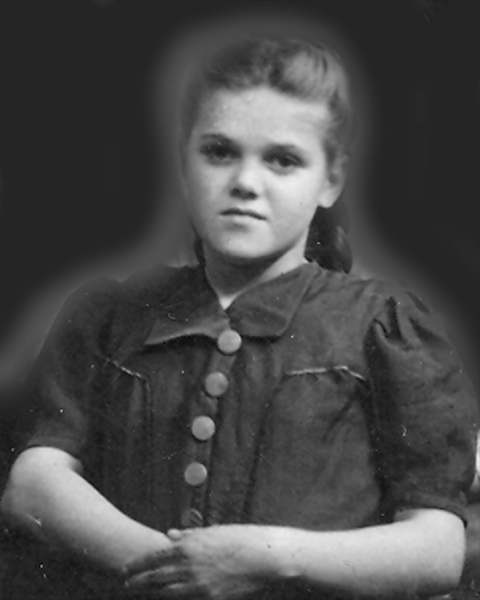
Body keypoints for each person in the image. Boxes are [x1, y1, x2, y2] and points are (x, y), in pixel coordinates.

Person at [1, 33, 478, 600]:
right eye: (220, 152)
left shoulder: (384, 326)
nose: (246, 183)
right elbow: (33, 485)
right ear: (184, 164)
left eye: (283, 160)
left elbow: (437, 548)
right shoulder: (109, 315)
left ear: (331, 180)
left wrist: (265, 559)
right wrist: (178, 570)